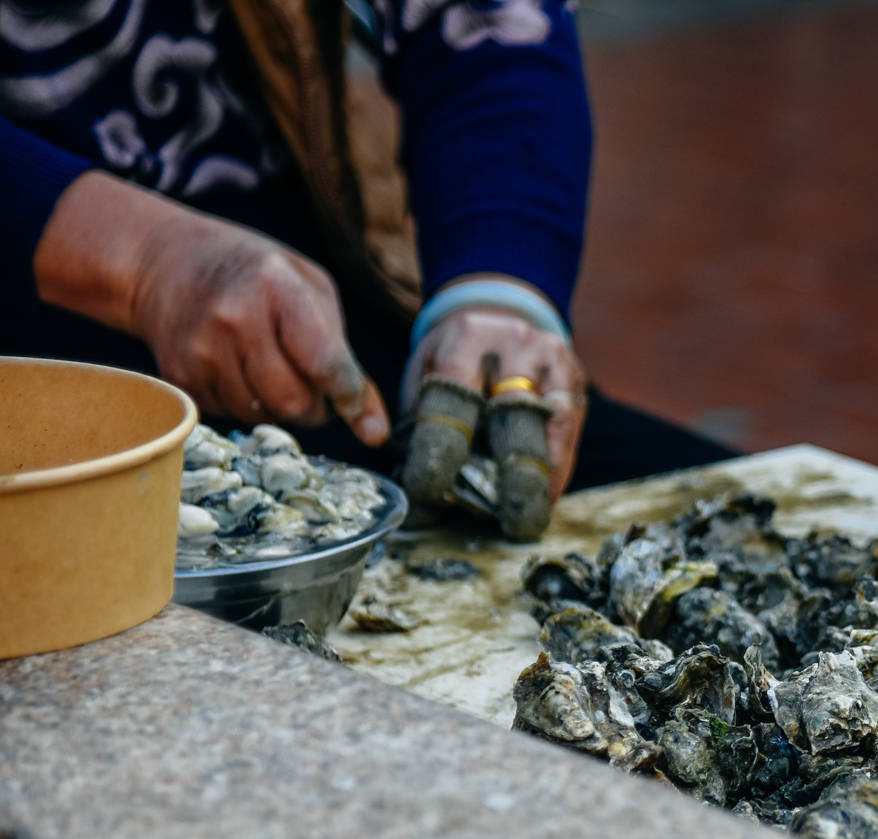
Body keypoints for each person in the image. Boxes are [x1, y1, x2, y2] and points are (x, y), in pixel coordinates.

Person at [2, 0, 730, 523]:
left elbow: (488, 21)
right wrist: (142, 258)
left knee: (730, 518)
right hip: (33, 377)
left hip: (322, 319)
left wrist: (499, 287)